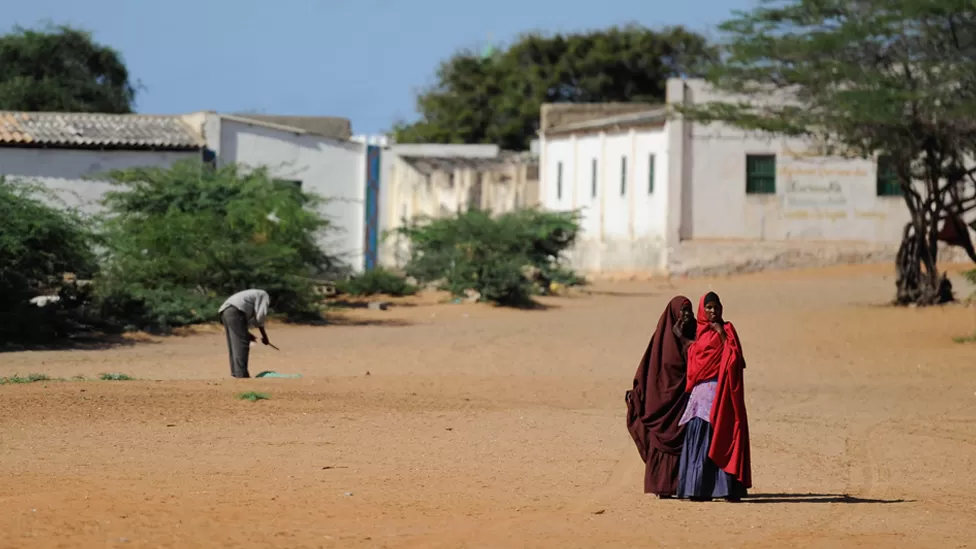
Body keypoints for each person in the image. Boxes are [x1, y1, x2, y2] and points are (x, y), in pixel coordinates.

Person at [676, 291, 752, 501]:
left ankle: (725, 489)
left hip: (721, 394)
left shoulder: (726, 329)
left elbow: (738, 360)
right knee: (701, 438)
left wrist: (721, 334)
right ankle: (697, 489)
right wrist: (682, 337)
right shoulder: (699, 332)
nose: (713, 311)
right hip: (701, 396)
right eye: (708, 307)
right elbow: (693, 355)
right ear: (702, 309)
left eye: (716, 307)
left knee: (721, 436)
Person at [625, 295, 697, 498]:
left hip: (684, 399)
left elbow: (701, 357)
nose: (685, 316)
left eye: (688, 311)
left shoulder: (695, 335)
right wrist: (639, 393)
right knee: (662, 439)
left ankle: (682, 485)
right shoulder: (661, 338)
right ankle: (662, 486)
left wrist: (684, 340)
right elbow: (647, 368)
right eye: (682, 311)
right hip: (663, 401)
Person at [218, 288, 273, 378]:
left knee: (234, 344)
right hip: (235, 311)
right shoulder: (264, 295)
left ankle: (235, 373)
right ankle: (241, 374)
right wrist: (264, 336)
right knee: (241, 344)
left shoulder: (255, 293)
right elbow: (260, 316)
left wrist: (247, 333)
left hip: (225, 311)